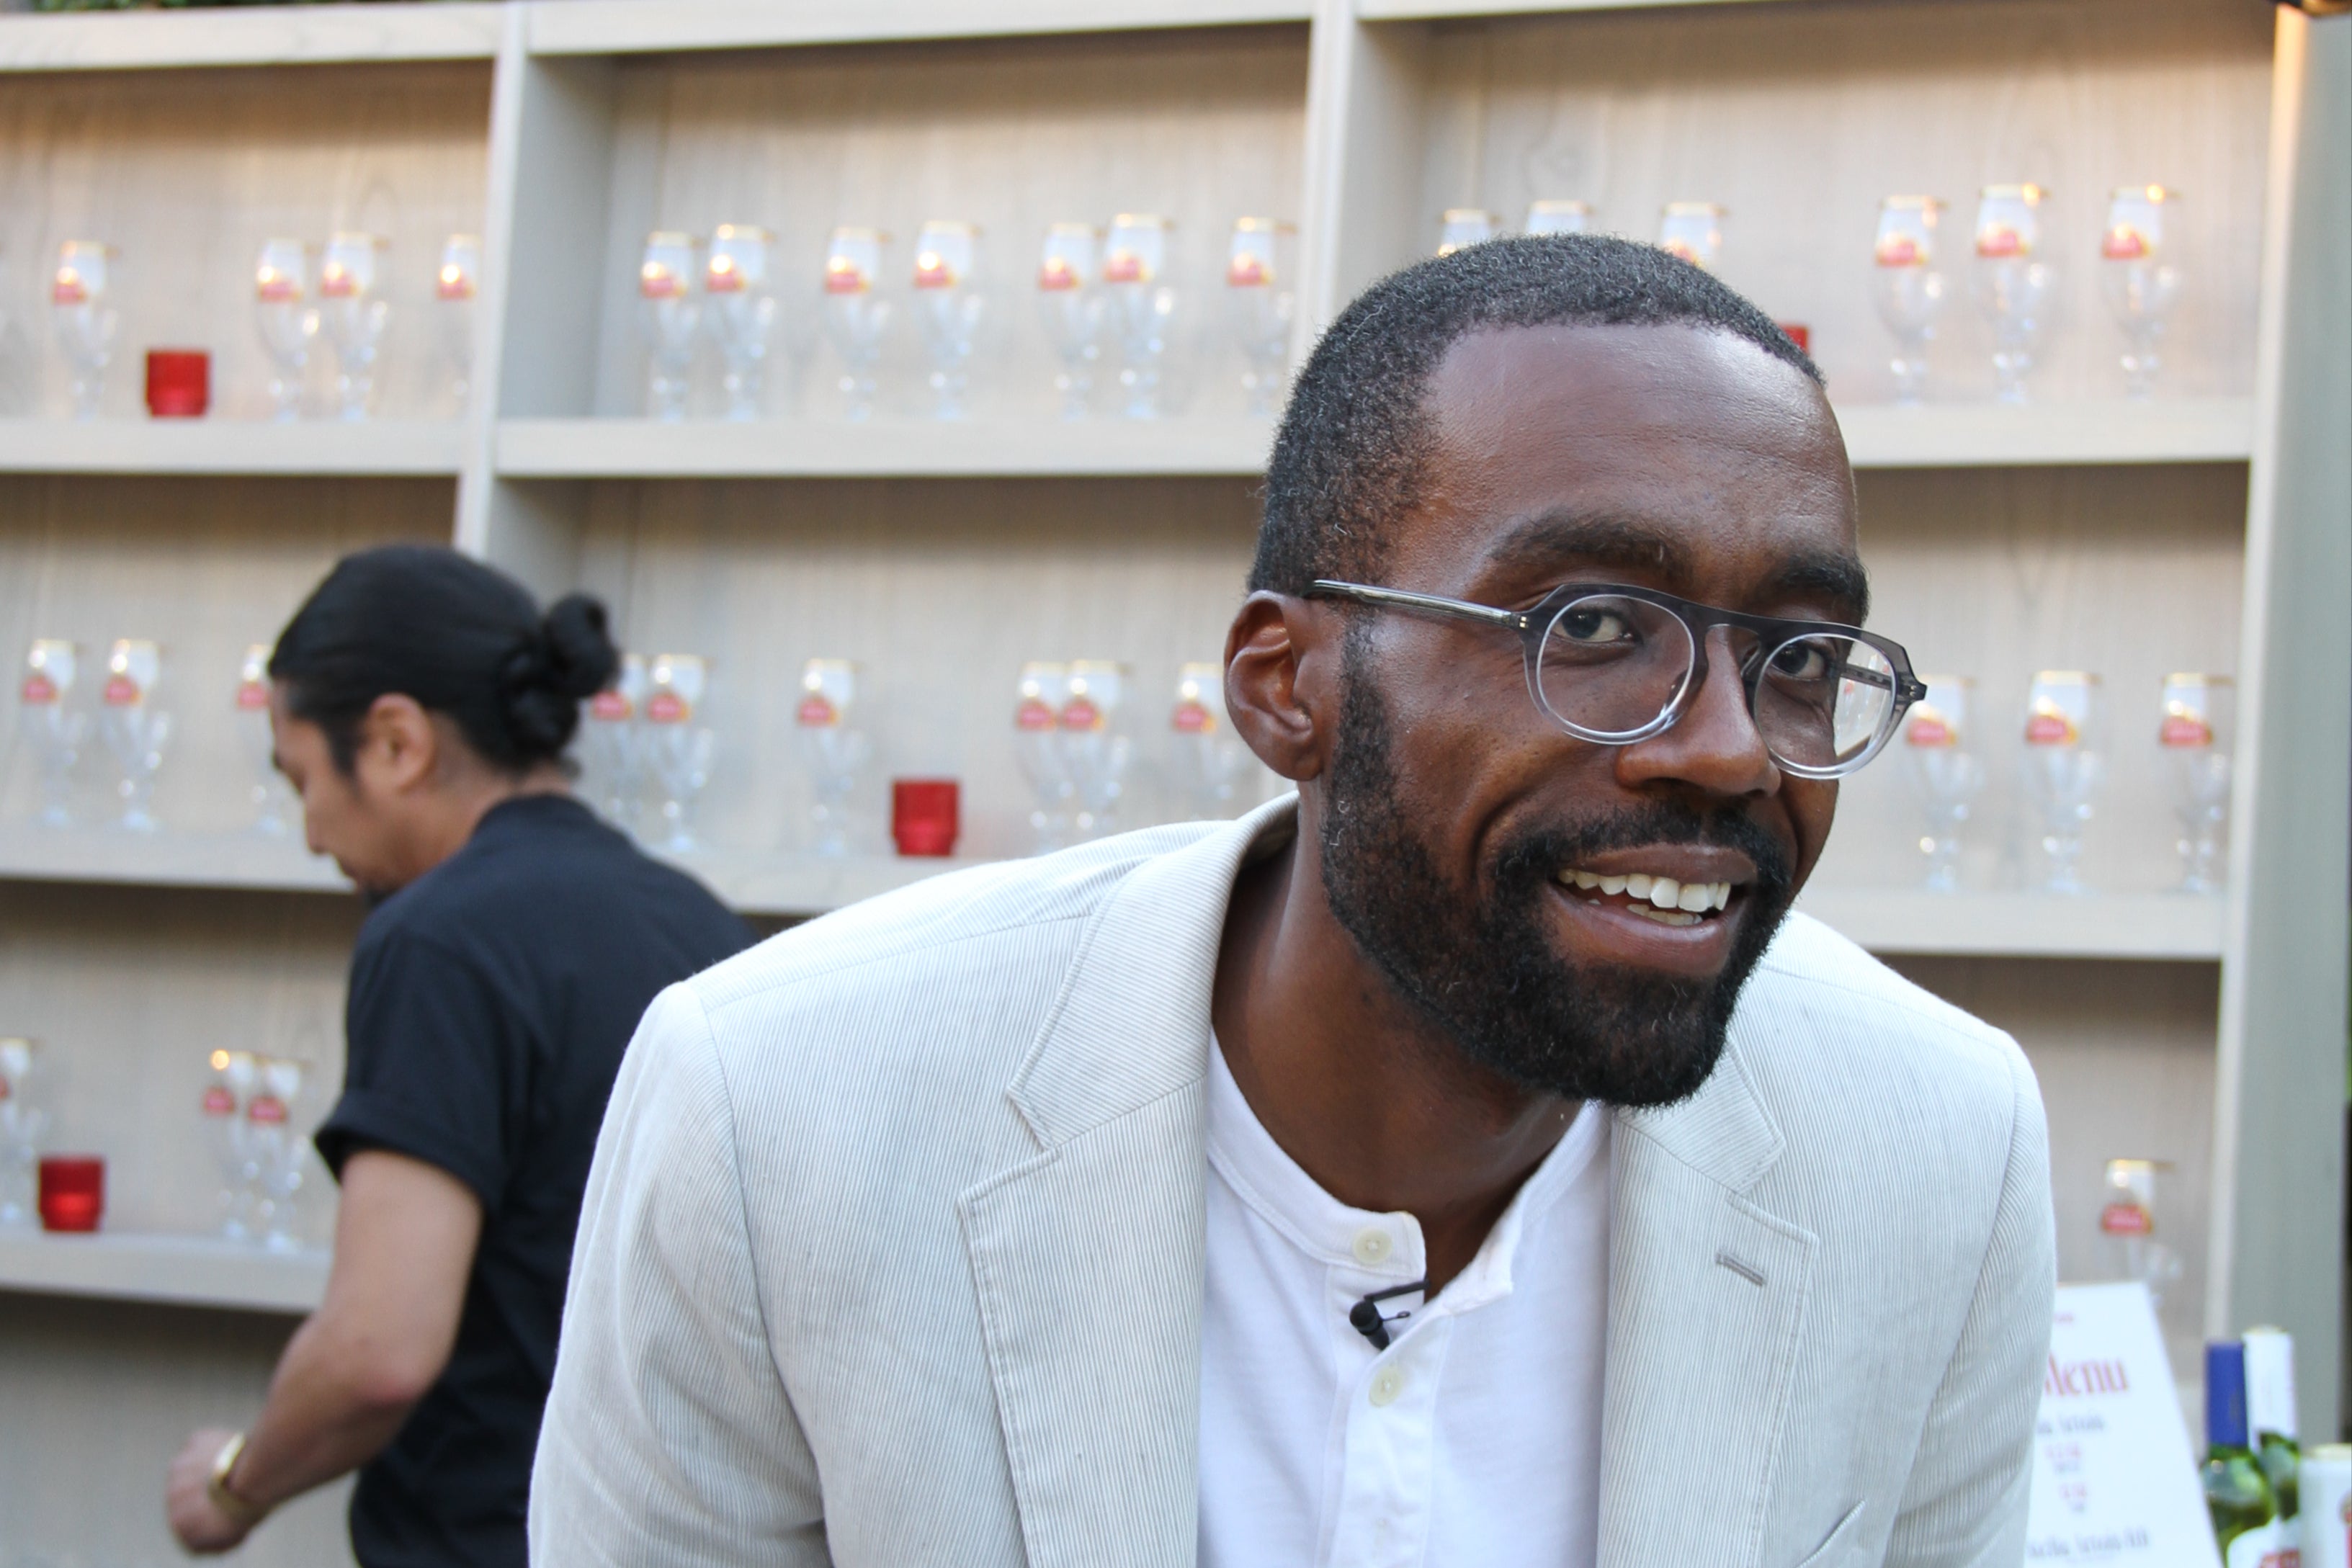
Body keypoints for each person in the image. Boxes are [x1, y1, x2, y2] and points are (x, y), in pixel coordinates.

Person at [532, 236, 2055, 1566]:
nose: (1727, 745)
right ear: (1286, 688)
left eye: (1797, 657)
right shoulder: (781, 1108)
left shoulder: (1934, 1147)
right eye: (1591, 626)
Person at [165, 546, 753, 1566]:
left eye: (302, 777)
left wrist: (234, 1483)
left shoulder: (435, 938)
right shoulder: (701, 924)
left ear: (395, 742)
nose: (309, 833)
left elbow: (378, 1347)